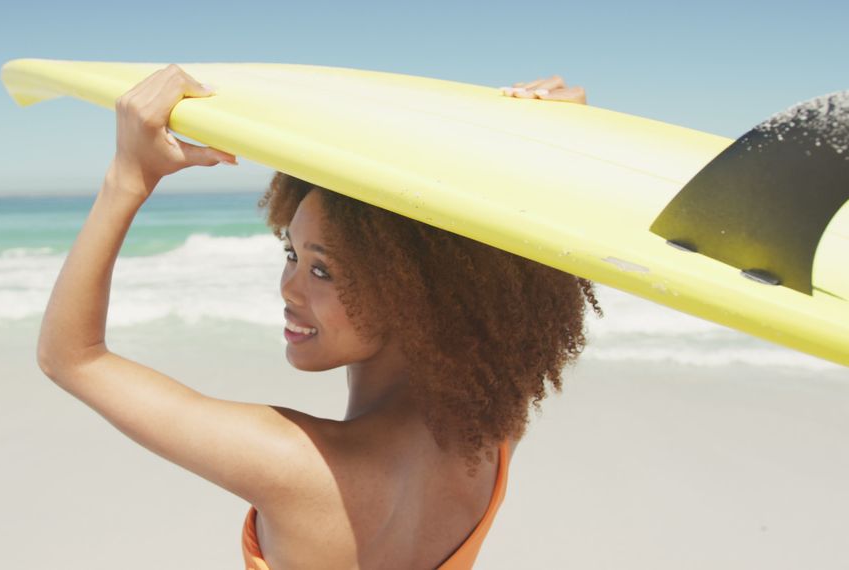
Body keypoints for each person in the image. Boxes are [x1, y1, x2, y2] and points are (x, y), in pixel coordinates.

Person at [36, 65, 600, 569]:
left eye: (323, 271)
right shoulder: (493, 435)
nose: (289, 287)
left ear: (414, 292)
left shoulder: (295, 464)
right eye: (291, 253)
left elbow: (72, 357)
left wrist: (128, 176)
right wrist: (552, 151)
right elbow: (505, 255)